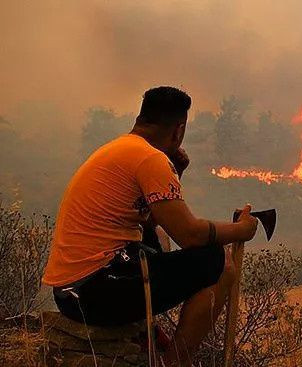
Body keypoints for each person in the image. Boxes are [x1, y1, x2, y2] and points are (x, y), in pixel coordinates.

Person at [42, 86, 258, 366]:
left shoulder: (122, 149)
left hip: (70, 292)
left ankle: (147, 335)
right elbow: (189, 235)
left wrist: (175, 174)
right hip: (94, 292)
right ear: (178, 130)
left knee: (153, 234)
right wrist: (241, 231)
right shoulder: (149, 158)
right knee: (219, 261)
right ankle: (175, 362)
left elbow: (151, 221)